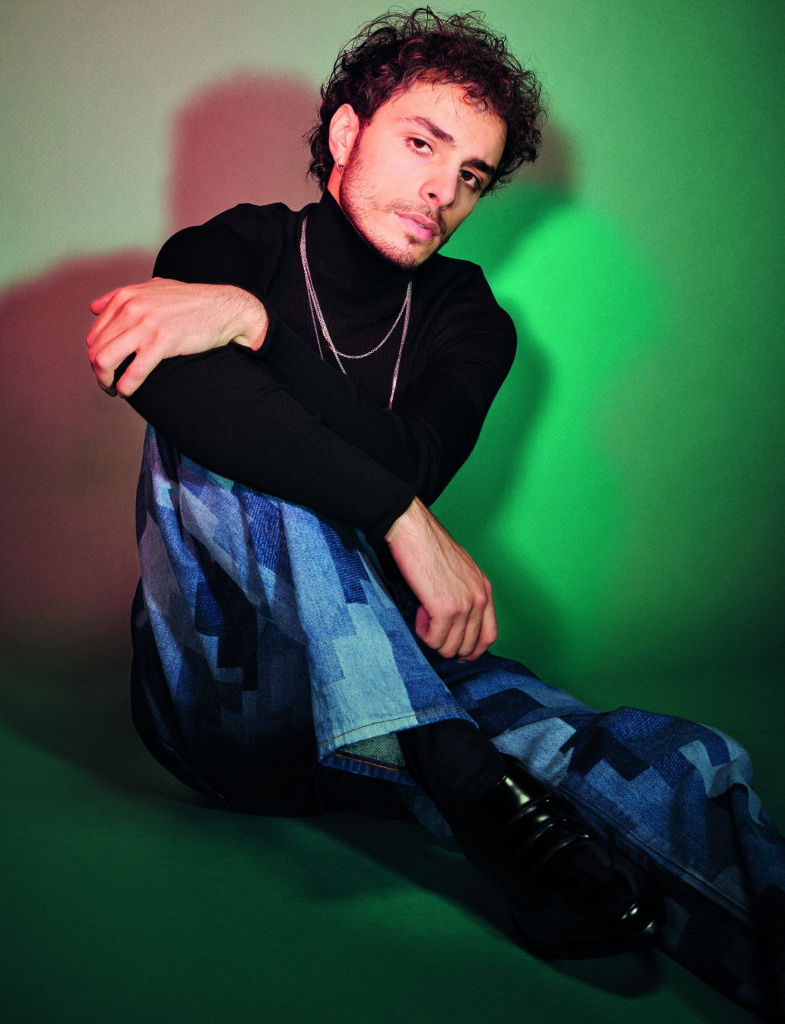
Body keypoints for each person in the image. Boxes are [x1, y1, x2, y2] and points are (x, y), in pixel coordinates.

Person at [87, 9, 784, 1016]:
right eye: (422, 144)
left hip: (380, 701)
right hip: (228, 702)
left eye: (471, 175)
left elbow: (411, 460)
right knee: (229, 447)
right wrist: (405, 521)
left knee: (669, 766)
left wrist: (253, 327)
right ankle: (460, 769)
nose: (441, 192)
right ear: (345, 133)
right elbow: (158, 377)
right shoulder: (231, 245)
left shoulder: (469, 318)